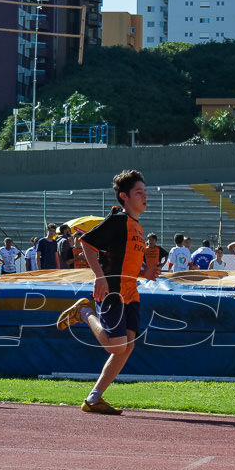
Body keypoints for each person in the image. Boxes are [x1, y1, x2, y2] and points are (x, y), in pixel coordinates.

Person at [57, 170, 151, 416]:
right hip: (113, 293)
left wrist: (145, 274)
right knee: (116, 347)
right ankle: (84, 312)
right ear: (124, 196)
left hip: (131, 293)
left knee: (127, 347)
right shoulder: (119, 220)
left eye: (145, 191)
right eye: (139, 192)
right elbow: (87, 243)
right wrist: (99, 276)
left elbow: (125, 263)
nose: (145, 196)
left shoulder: (137, 227)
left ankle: (93, 398)